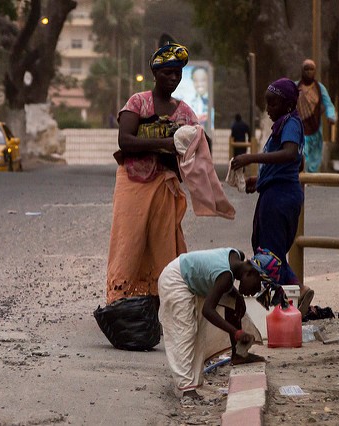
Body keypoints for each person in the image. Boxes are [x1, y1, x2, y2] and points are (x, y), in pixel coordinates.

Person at [106, 42, 198, 306]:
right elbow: (125, 140)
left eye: (178, 73)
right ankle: (120, 301)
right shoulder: (138, 103)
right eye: (168, 72)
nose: (173, 78)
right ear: (155, 73)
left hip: (164, 186)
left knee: (163, 245)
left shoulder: (184, 113)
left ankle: (162, 302)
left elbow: (197, 146)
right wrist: (164, 144)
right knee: (129, 240)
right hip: (133, 183)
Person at [229, 78, 315, 316]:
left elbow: (288, 154)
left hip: (281, 198)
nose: (268, 109)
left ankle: (291, 297)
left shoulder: (291, 124)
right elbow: (286, 164)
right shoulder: (282, 125)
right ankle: (285, 301)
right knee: (268, 250)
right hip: (275, 192)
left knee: (269, 257)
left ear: (287, 105)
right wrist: (260, 180)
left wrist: (250, 158)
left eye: (273, 104)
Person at [158, 247, 280, 399]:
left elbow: (220, 282)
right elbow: (208, 311)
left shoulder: (237, 257)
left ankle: (239, 355)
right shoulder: (225, 277)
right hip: (175, 280)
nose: (255, 292)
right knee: (185, 333)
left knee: (233, 302)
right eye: (258, 285)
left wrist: (237, 296)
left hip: (192, 280)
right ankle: (186, 389)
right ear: (249, 273)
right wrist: (236, 333)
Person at [296, 59, 336, 173]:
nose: (309, 72)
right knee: (302, 152)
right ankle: (302, 175)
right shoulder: (295, 87)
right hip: (300, 128)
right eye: (306, 69)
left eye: (311, 69)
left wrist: (331, 116)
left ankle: (309, 176)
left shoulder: (320, 88)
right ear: (302, 71)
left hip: (315, 128)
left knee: (315, 157)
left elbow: (328, 104)